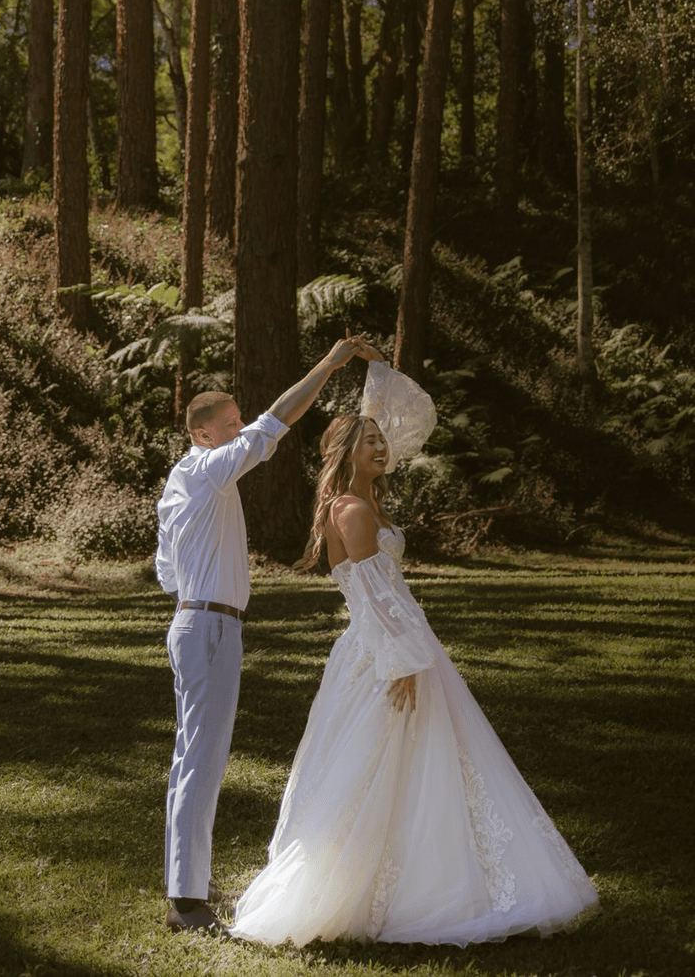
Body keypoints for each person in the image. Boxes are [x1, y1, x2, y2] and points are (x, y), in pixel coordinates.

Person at [231, 344, 599, 947]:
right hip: (386, 650)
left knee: (423, 764)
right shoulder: (352, 510)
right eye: (369, 440)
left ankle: (418, 875)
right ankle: (372, 891)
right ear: (346, 452)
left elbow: (383, 593)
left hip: (392, 642)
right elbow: (375, 597)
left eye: (382, 439)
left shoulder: (359, 504)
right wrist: (405, 660)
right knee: (378, 764)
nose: (381, 448)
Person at [155, 336, 364, 937]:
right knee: (201, 759)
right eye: (231, 425)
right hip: (210, 626)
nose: (241, 431)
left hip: (195, 623)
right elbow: (277, 423)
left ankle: (186, 883)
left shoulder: (182, 484)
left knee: (190, 758)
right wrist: (331, 362)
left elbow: (166, 569)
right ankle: (186, 903)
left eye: (239, 422)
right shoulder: (204, 469)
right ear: (203, 435)